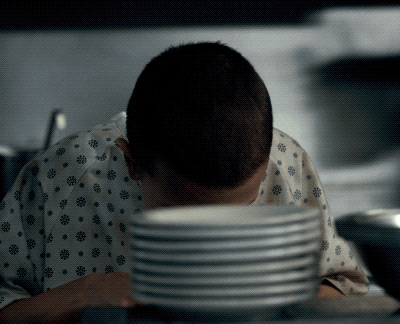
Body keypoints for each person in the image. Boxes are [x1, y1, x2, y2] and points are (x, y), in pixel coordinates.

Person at [0, 42, 368, 323]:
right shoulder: (60, 176)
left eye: (242, 211)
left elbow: (344, 285)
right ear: (131, 162)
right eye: (181, 216)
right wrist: (82, 294)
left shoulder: (285, 162)